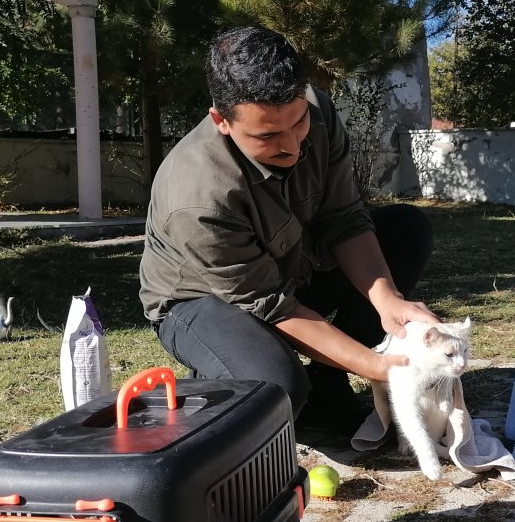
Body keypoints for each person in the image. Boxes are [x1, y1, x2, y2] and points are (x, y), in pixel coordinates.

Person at [138, 24, 437, 434]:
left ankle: (326, 381)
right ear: (221, 120)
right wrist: (377, 366)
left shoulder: (317, 111)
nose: (293, 146)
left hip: (291, 264)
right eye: (268, 136)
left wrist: (388, 301)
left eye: (298, 124)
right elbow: (271, 305)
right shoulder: (198, 196)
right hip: (203, 301)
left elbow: (344, 218)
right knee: (276, 391)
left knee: (405, 229)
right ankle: (220, 383)